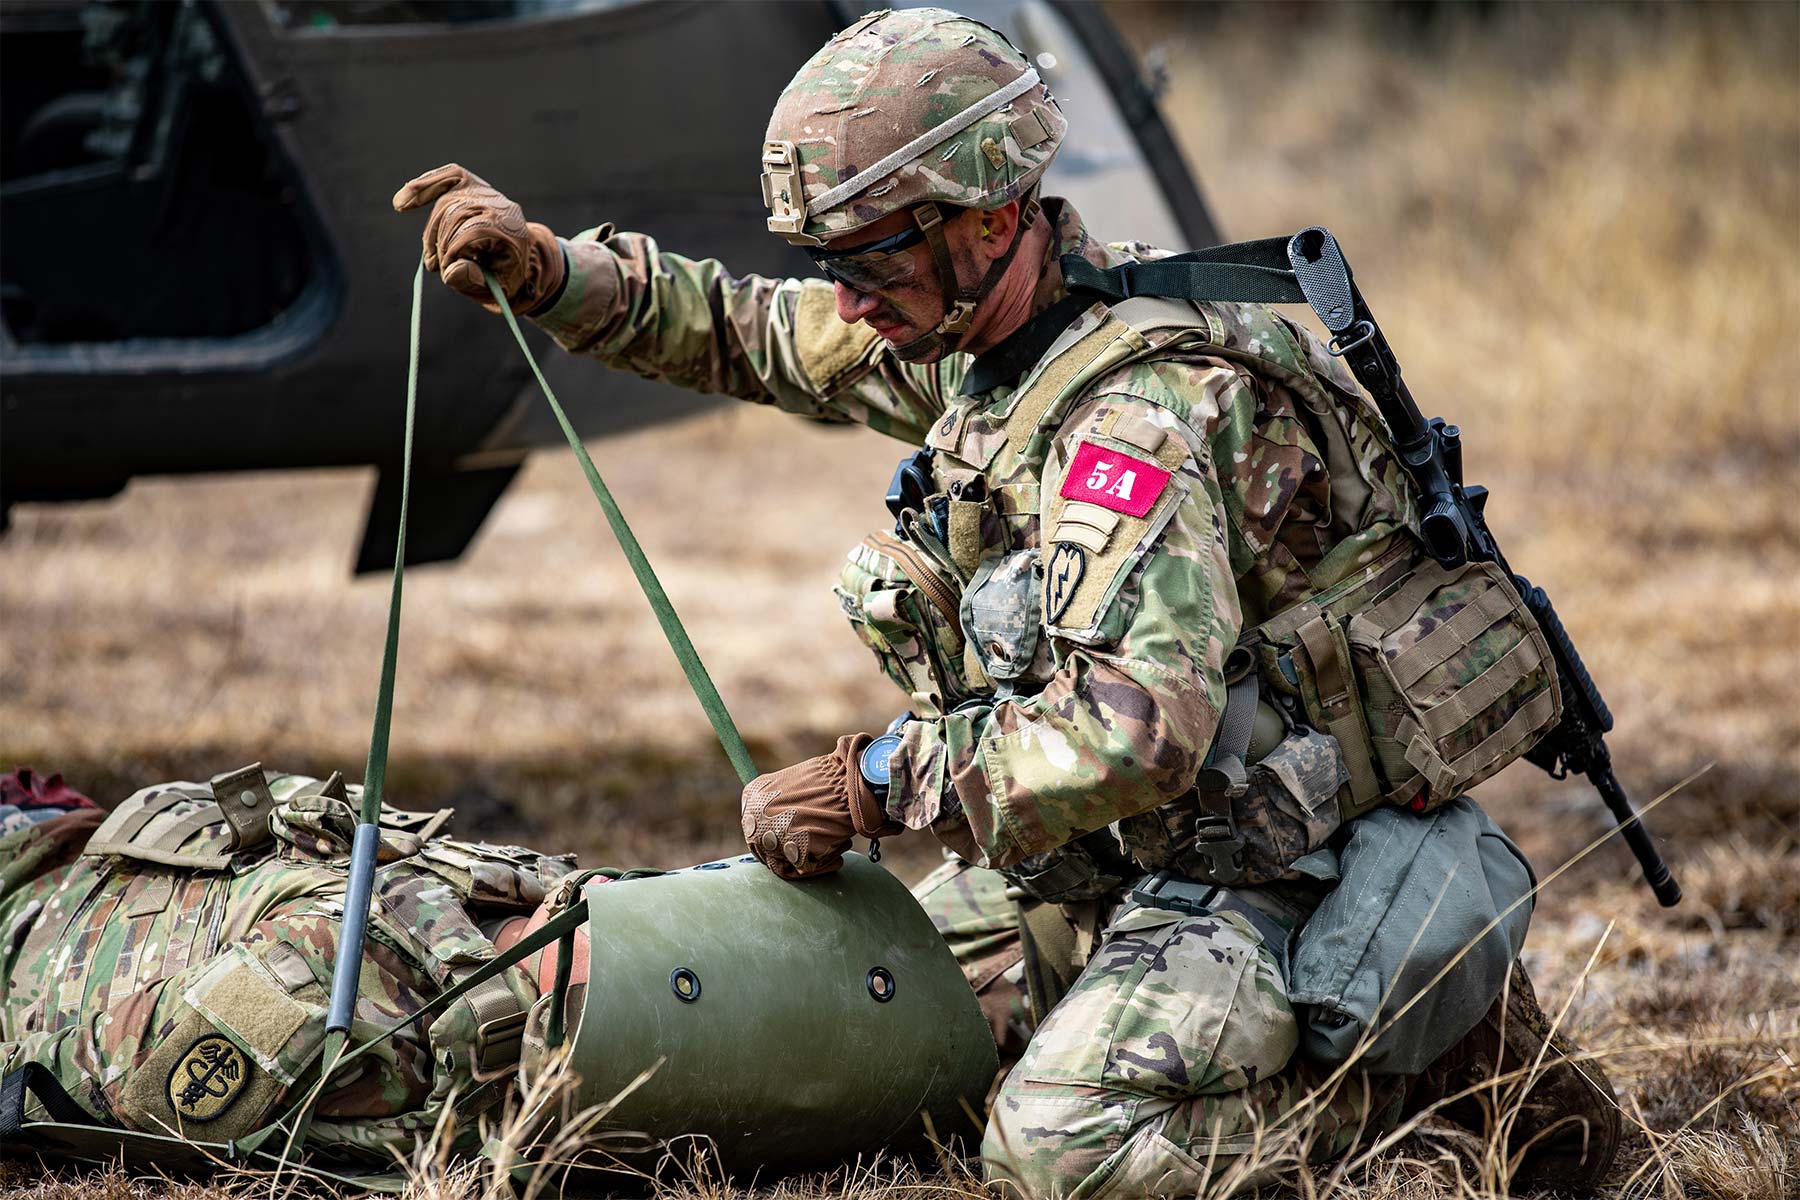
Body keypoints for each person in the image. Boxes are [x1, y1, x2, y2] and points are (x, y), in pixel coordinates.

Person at [393, 8, 1621, 1195]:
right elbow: (752, 334)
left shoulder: (1133, 419)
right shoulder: (994, 337)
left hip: (1272, 868)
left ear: (985, 217)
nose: (850, 299)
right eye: (829, 262)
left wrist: (876, 782)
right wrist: (552, 272)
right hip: (1109, 856)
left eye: (868, 261)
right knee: (864, 1061)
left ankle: (1430, 1095)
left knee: (1056, 1149)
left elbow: (1134, 728)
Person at [0, 765, 580, 1161]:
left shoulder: (334, 990)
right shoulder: (532, 891)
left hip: (32, 891)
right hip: (104, 840)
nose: (600, 887)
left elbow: (81, 1077)